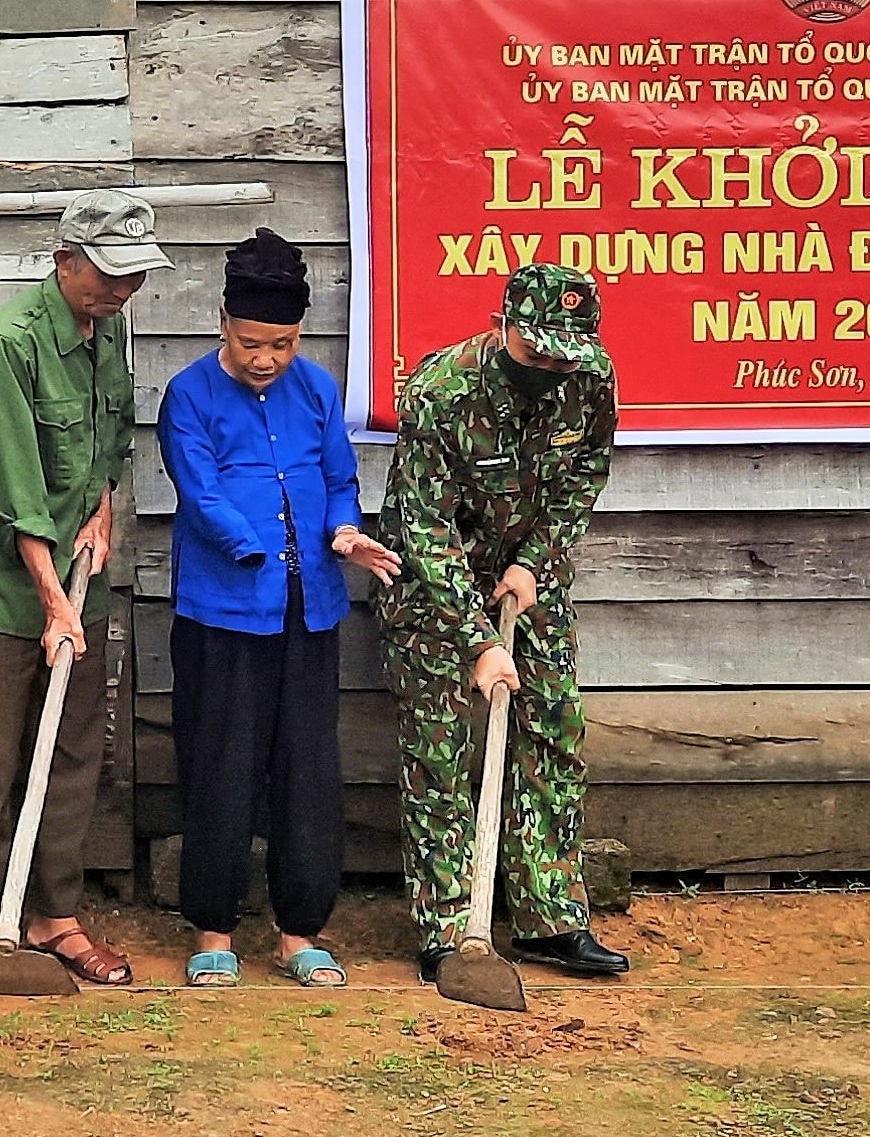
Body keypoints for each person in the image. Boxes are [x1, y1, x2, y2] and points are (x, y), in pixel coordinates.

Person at [0, 192, 160, 1005]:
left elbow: (109, 443)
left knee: (71, 758)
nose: (123, 290)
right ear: (65, 262)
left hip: (78, 577)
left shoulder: (110, 327)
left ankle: (50, 921)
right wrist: (51, 601)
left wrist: (101, 514)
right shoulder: (9, 344)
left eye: (133, 278)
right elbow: (11, 490)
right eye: (109, 275)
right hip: (5, 589)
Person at [157, 232, 401, 988]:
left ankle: (301, 930)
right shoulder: (189, 395)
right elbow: (199, 493)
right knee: (222, 767)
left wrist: (346, 531)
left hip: (309, 612)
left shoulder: (319, 391)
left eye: (284, 344)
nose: (267, 358)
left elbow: (336, 480)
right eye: (253, 342)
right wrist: (252, 546)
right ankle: (213, 929)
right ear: (223, 321)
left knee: (307, 769)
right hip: (222, 612)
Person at [381, 261, 629, 985]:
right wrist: (478, 641)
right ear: (502, 327)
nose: (551, 365)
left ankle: (551, 918)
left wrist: (533, 562)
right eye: (537, 350)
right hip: (435, 591)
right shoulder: (439, 393)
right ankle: (450, 928)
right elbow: (424, 530)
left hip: (529, 577)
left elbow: (584, 475)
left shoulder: (591, 378)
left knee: (553, 734)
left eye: (565, 352)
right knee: (440, 755)